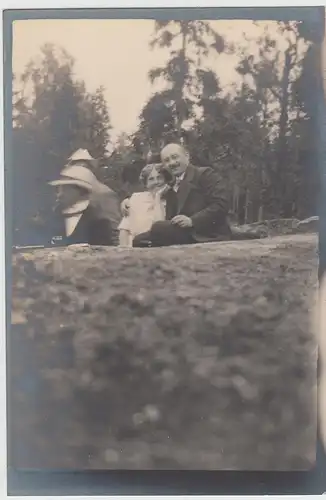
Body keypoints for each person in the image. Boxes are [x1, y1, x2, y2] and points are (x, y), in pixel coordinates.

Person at [124, 143, 231, 247]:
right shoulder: (171, 186)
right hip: (184, 233)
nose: (172, 163)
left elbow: (221, 204)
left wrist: (192, 221)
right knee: (138, 240)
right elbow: (149, 196)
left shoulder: (204, 174)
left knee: (158, 228)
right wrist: (126, 201)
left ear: (187, 156)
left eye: (175, 157)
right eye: (166, 161)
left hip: (206, 233)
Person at [49, 150, 121, 246]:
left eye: (84, 166)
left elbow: (114, 230)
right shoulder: (57, 212)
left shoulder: (105, 193)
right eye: (75, 166)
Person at [118, 163, 171, 247]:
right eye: (151, 179)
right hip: (133, 248)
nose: (156, 182)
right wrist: (122, 250)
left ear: (166, 180)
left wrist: (157, 198)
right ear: (146, 184)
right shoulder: (136, 198)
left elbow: (160, 228)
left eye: (159, 178)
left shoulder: (172, 201)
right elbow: (124, 229)